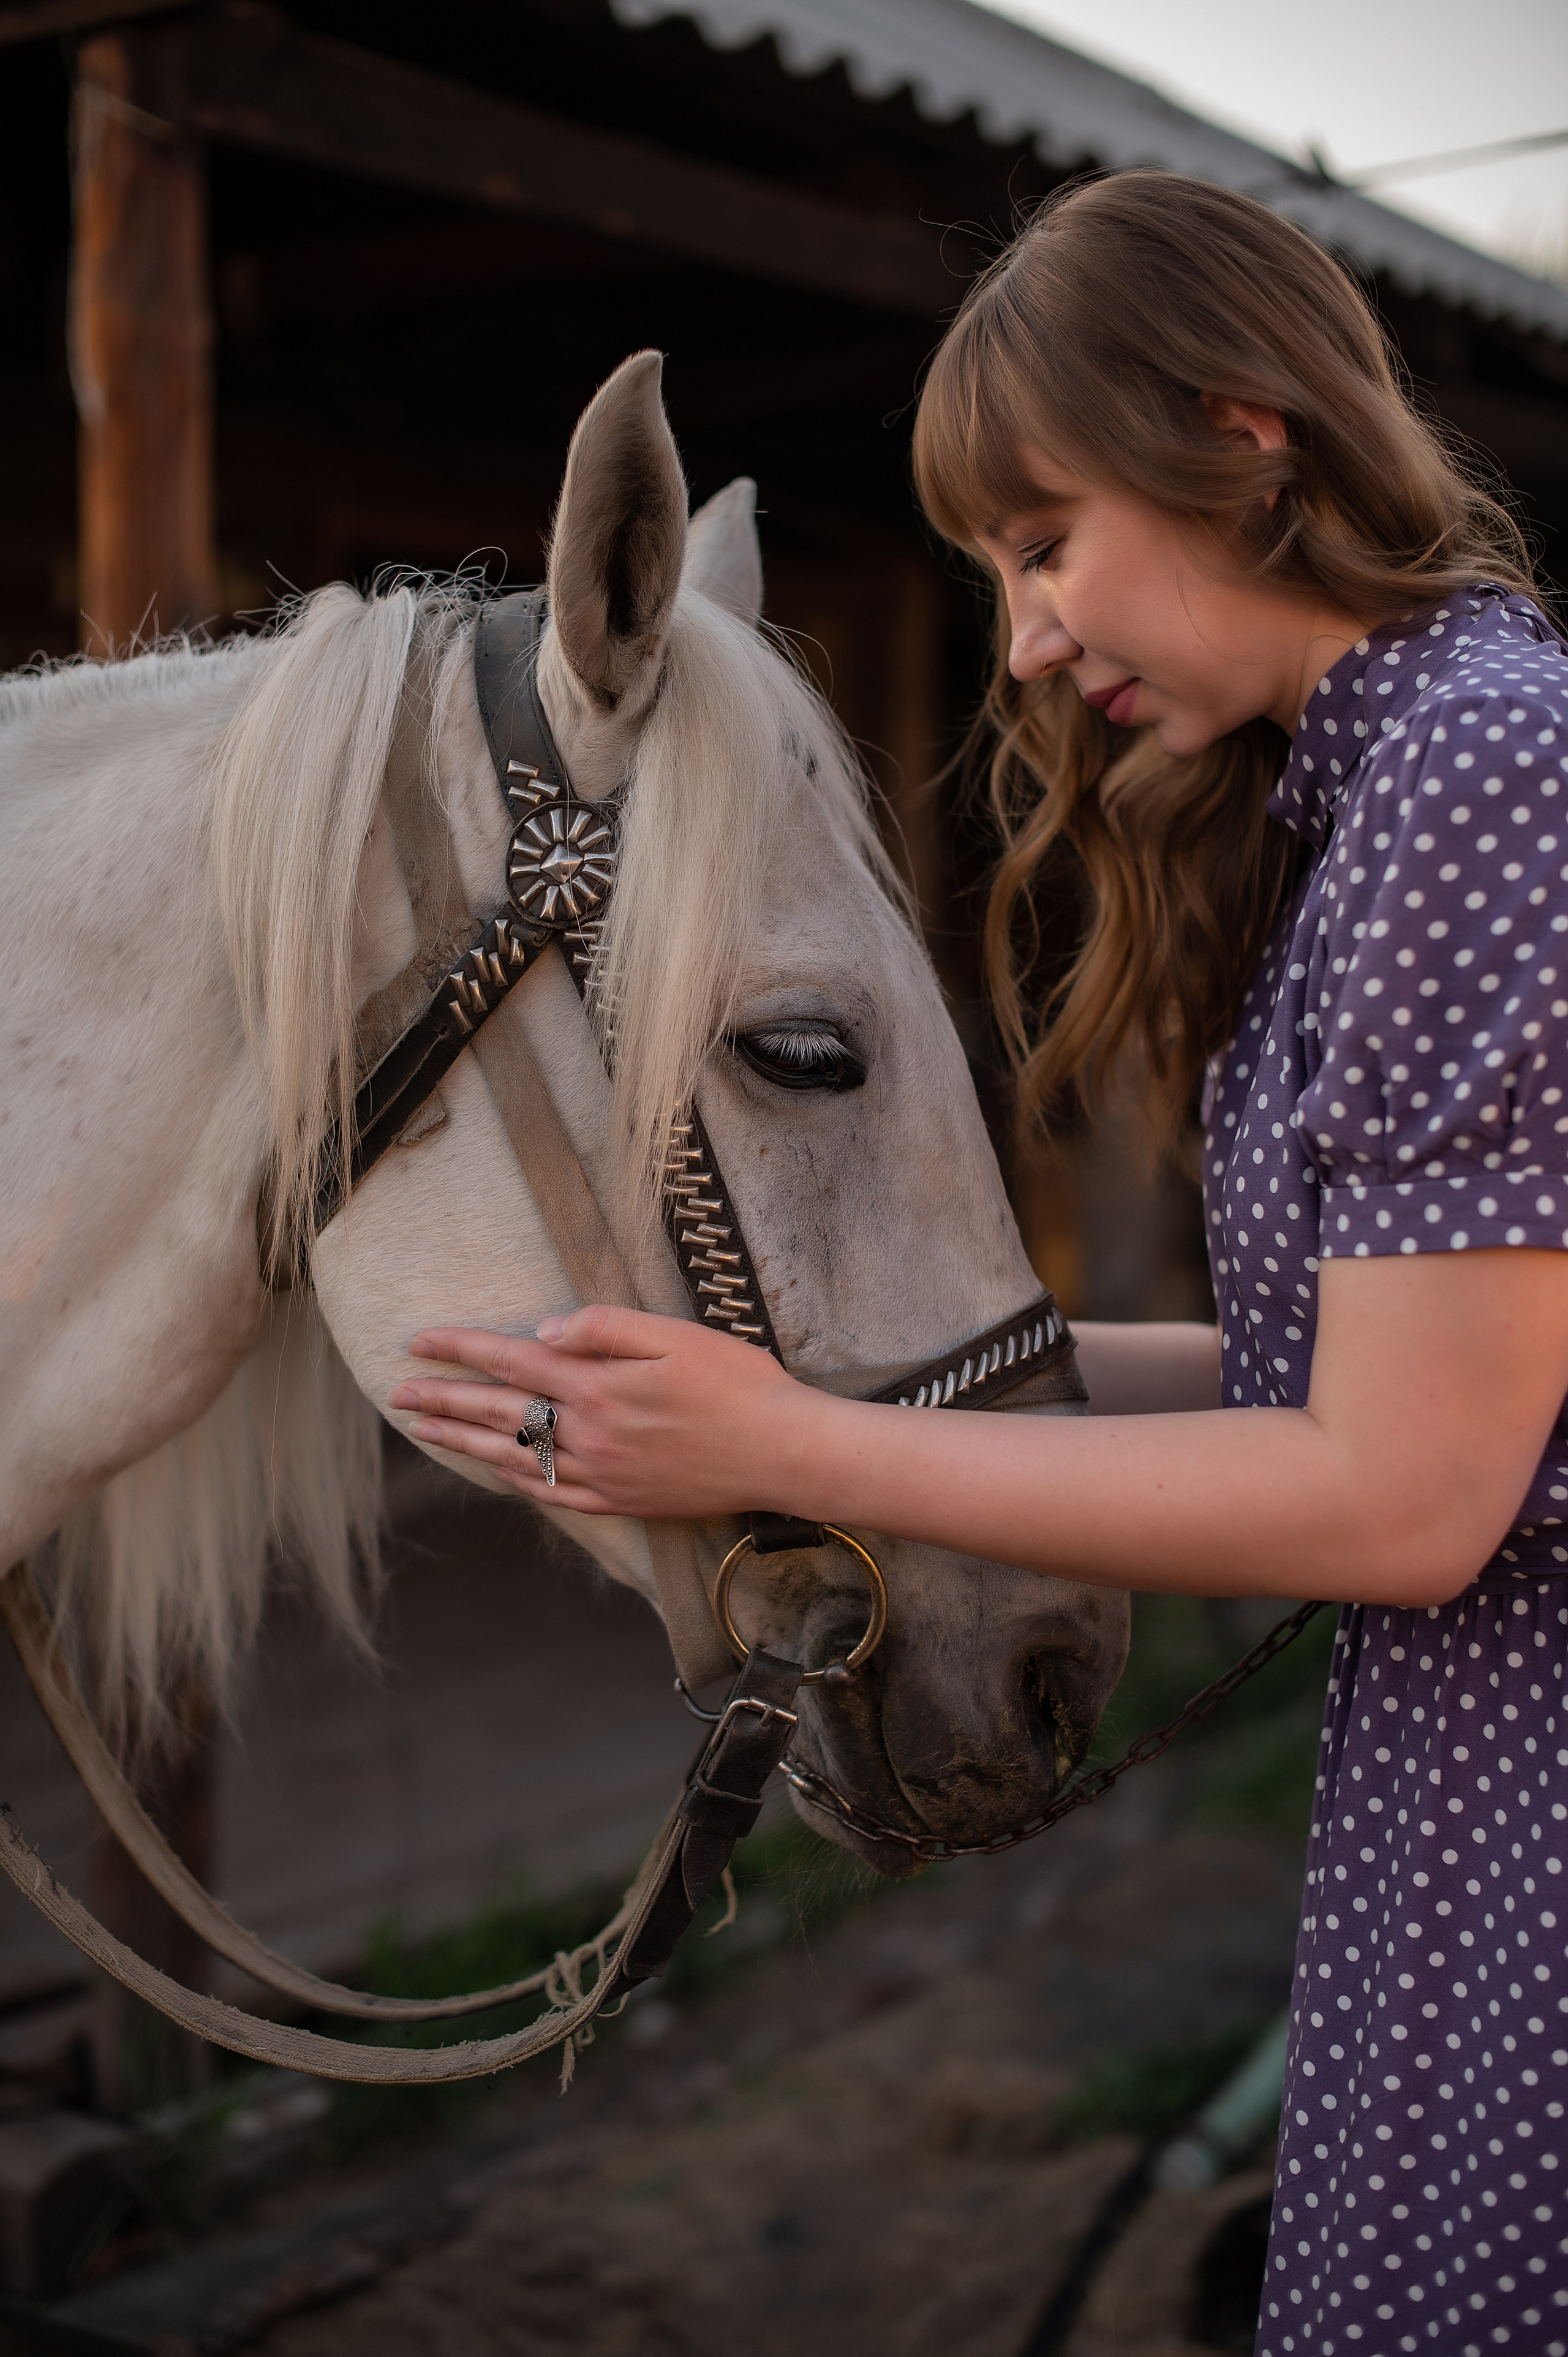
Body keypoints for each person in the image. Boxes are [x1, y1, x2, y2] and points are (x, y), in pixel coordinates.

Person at [390, 173, 1568, 2355]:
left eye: (1043, 548)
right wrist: (776, 1409)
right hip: (1479, 1777)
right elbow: (1357, 1382)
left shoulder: (1483, 777)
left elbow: (1410, 1495)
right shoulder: (1397, 777)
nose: (1026, 637)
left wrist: (806, 1431)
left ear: (1246, 433)